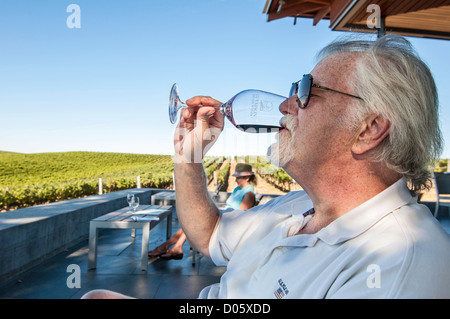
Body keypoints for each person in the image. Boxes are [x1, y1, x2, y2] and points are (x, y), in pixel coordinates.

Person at [82, 35, 450, 299]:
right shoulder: (296, 206)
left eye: (307, 90)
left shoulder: (398, 264)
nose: (285, 106)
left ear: (369, 129)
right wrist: (188, 157)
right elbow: (209, 236)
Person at [147, 163, 256, 260]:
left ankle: (170, 247)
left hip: (228, 224)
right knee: (192, 221)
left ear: (247, 178)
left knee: (194, 223)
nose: (236, 180)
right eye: (236, 177)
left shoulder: (249, 194)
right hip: (224, 217)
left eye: (239, 177)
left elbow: (241, 218)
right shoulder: (238, 189)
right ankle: (173, 247)